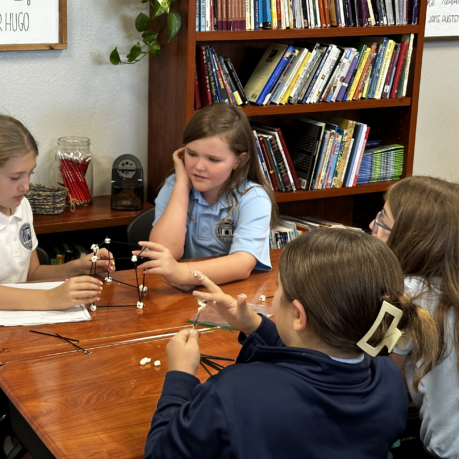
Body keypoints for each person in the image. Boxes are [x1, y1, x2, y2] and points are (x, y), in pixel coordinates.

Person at [144, 228, 439, 459]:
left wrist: (180, 377)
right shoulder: (386, 375)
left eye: (278, 289)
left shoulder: (233, 393)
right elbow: (319, 362)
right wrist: (255, 325)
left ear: (298, 314)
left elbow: (161, 453)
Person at [0, 115, 109, 310]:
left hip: (13, 324)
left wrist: (76, 268)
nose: (26, 186)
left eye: (30, 173)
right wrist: (48, 299)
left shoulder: (23, 206)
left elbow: (31, 273)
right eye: (16, 177)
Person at [371, 176, 459, 459]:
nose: (372, 225)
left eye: (382, 218)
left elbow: (375, 368)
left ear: (411, 237)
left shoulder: (407, 297)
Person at [145, 103, 277, 286]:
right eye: (191, 154)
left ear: (238, 160)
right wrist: (182, 184)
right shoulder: (173, 188)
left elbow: (242, 264)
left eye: (213, 159)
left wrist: (180, 273)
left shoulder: (254, 198)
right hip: (181, 294)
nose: (199, 166)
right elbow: (164, 252)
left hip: (231, 292)